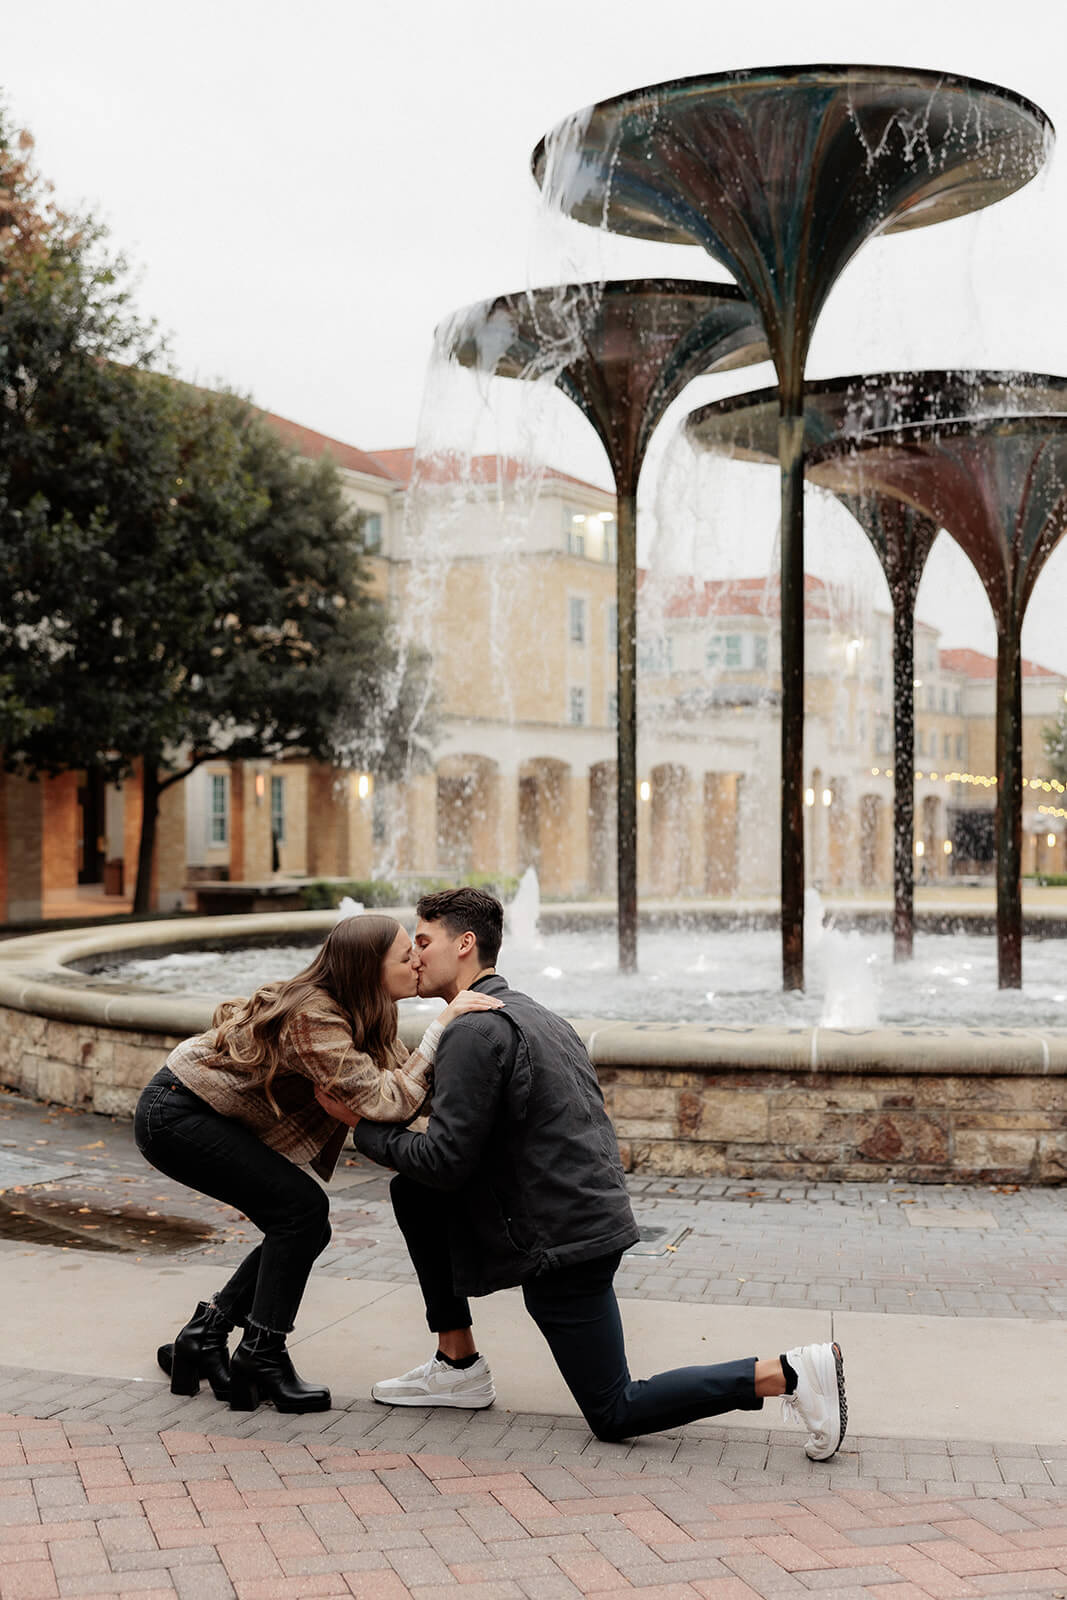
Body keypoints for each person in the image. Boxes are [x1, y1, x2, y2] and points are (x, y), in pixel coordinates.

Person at [319, 888, 847, 1460]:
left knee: (615, 1410)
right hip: (588, 1220)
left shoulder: (473, 1031)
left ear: (464, 945)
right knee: (413, 1193)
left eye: (423, 942)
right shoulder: (536, 1014)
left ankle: (789, 1373)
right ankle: (457, 1361)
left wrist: (361, 1128)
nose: (414, 958)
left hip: (563, 1244)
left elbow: (446, 1162)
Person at [134, 912, 501, 1415]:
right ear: (367, 969)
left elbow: (410, 1089)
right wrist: (443, 1025)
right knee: (301, 1214)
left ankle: (207, 1334)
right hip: (176, 1112)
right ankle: (260, 1353)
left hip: (201, 1112)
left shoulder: (368, 1012)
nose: (417, 960)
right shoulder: (315, 1016)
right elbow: (386, 1101)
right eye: (404, 955)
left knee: (300, 1219)